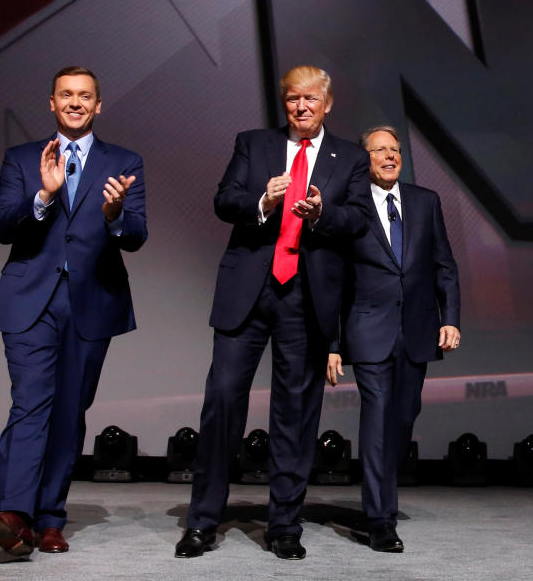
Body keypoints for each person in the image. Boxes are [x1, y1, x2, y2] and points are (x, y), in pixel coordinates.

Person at [177, 65, 370, 561]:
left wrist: (322, 213)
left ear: (328, 103)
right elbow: (225, 200)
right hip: (249, 289)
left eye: (309, 99)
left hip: (306, 298)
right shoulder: (253, 143)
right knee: (221, 401)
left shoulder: (348, 156)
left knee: (296, 414)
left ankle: (285, 525)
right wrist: (263, 200)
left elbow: (358, 218)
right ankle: (202, 521)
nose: (300, 107)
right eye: (291, 100)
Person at [0, 66, 146, 557]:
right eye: (66, 94)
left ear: (98, 105)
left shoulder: (124, 160)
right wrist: (43, 196)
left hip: (92, 300)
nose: (75, 102)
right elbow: (0, 227)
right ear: (51, 102)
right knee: (30, 403)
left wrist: (114, 217)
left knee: (69, 412)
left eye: (85, 96)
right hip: (30, 298)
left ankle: (49, 519)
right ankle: (13, 515)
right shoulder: (22, 159)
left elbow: (136, 235)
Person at [328, 125, 461, 553]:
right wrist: (331, 343)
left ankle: (381, 485)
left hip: (418, 331)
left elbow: (445, 265)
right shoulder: (350, 205)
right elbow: (337, 280)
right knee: (378, 414)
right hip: (368, 330)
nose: (389, 156)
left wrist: (451, 318)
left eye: (395, 150)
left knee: (403, 418)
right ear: (363, 158)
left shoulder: (426, 202)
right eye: (380, 150)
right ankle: (380, 518)